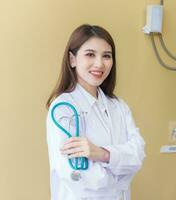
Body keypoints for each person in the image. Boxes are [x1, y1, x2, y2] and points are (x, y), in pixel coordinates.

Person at [46, 24, 145, 200]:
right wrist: (121, 168)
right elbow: (78, 178)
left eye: (106, 56)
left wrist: (102, 154)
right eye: (90, 54)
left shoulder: (119, 106)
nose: (99, 64)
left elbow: (137, 155)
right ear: (72, 59)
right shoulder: (63, 110)